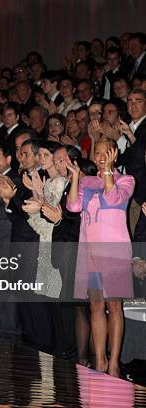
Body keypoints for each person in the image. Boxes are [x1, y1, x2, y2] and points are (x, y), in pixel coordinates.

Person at [66, 138, 135, 377]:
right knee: (96, 306)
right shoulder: (87, 181)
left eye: (107, 152)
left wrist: (108, 170)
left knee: (114, 305)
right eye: (98, 153)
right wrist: (75, 177)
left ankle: (114, 363)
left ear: (115, 153)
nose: (102, 156)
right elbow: (73, 206)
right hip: (91, 252)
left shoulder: (126, 180)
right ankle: (100, 360)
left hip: (114, 253)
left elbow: (112, 198)